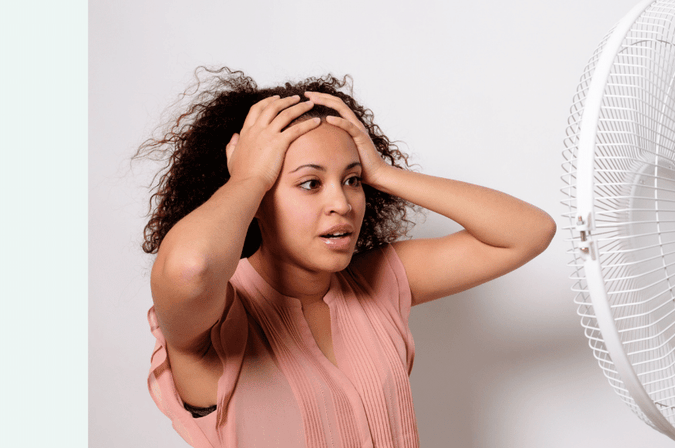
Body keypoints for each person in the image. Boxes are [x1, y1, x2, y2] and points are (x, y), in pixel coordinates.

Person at [138, 68, 556, 448]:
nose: (342, 202)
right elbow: (189, 267)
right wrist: (248, 177)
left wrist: (383, 173)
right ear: (256, 201)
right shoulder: (213, 323)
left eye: (352, 180)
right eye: (310, 183)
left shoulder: (378, 284)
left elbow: (529, 233)